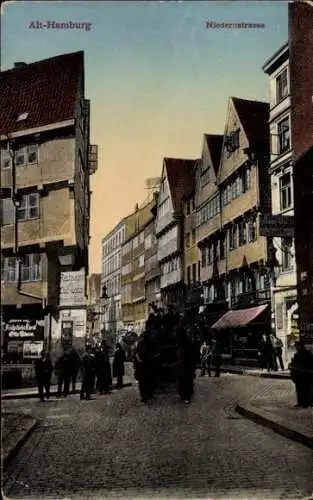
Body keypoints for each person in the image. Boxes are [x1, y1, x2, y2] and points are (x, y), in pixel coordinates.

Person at [176, 318, 198, 404]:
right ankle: (185, 395)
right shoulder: (184, 332)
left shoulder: (187, 333)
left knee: (185, 378)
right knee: (186, 378)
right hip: (185, 359)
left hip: (185, 359)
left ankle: (184, 394)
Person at [289, 340, 313, 408]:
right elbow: (294, 364)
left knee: (306, 390)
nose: (297, 348)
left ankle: (306, 403)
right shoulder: (297, 354)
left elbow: (310, 364)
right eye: (296, 346)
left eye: (298, 346)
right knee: (299, 390)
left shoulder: (307, 354)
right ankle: (300, 402)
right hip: (299, 376)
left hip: (306, 376)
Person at [133, 331, 155, 403]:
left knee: (143, 383)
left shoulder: (142, 343)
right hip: (146, 366)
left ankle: (145, 396)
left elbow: (136, 354)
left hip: (143, 366)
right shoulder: (148, 343)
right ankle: (147, 395)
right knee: (146, 382)